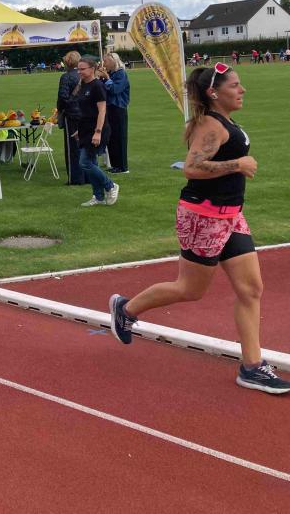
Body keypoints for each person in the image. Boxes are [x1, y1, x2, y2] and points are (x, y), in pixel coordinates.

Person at [110, 64, 290, 394]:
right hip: (204, 217)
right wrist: (237, 164)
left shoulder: (222, 121)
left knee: (251, 289)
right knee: (190, 289)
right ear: (214, 92)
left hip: (231, 216)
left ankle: (252, 367)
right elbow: (192, 168)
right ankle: (126, 308)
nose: (242, 90)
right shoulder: (211, 124)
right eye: (235, 86)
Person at [71, 56, 119, 207]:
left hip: (97, 130)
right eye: (78, 69)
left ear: (92, 69)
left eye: (82, 69)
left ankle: (110, 185)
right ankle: (98, 197)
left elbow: (102, 110)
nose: (79, 72)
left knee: (84, 162)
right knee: (91, 163)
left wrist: (98, 132)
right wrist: (79, 131)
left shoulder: (97, 86)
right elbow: (85, 110)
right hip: (85, 129)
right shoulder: (83, 85)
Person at [98, 53, 130, 174]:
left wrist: (106, 78)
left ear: (113, 61)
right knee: (111, 137)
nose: (104, 64)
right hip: (109, 107)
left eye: (106, 61)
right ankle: (115, 164)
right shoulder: (111, 74)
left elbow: (115, 89)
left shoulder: (121, 74)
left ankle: (122, 166)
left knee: (120, 137)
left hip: (118, 107)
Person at [56, 51, 85, 185]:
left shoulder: (66, 77)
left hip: (72, 115)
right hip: (85, 114)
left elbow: (63, 97)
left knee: (72, 147)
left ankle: (75, 178)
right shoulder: (83, 75)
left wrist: (60, 110)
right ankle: (87, 176)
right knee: (84, 146)